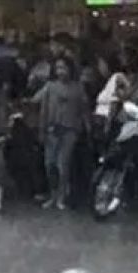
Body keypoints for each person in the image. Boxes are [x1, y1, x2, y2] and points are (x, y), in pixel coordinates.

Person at [31, 56, 89, 210]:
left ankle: (61, 197)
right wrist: (41, 129)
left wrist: (84, 128)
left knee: (63, 165)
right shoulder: (50, 87)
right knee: (49, 164)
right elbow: (41, 106)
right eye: (58, 68)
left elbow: (84, 109)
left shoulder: (78, 88)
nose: (61, 71)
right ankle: (53, 194)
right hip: (51, 130)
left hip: (69, 130)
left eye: (64, 68)